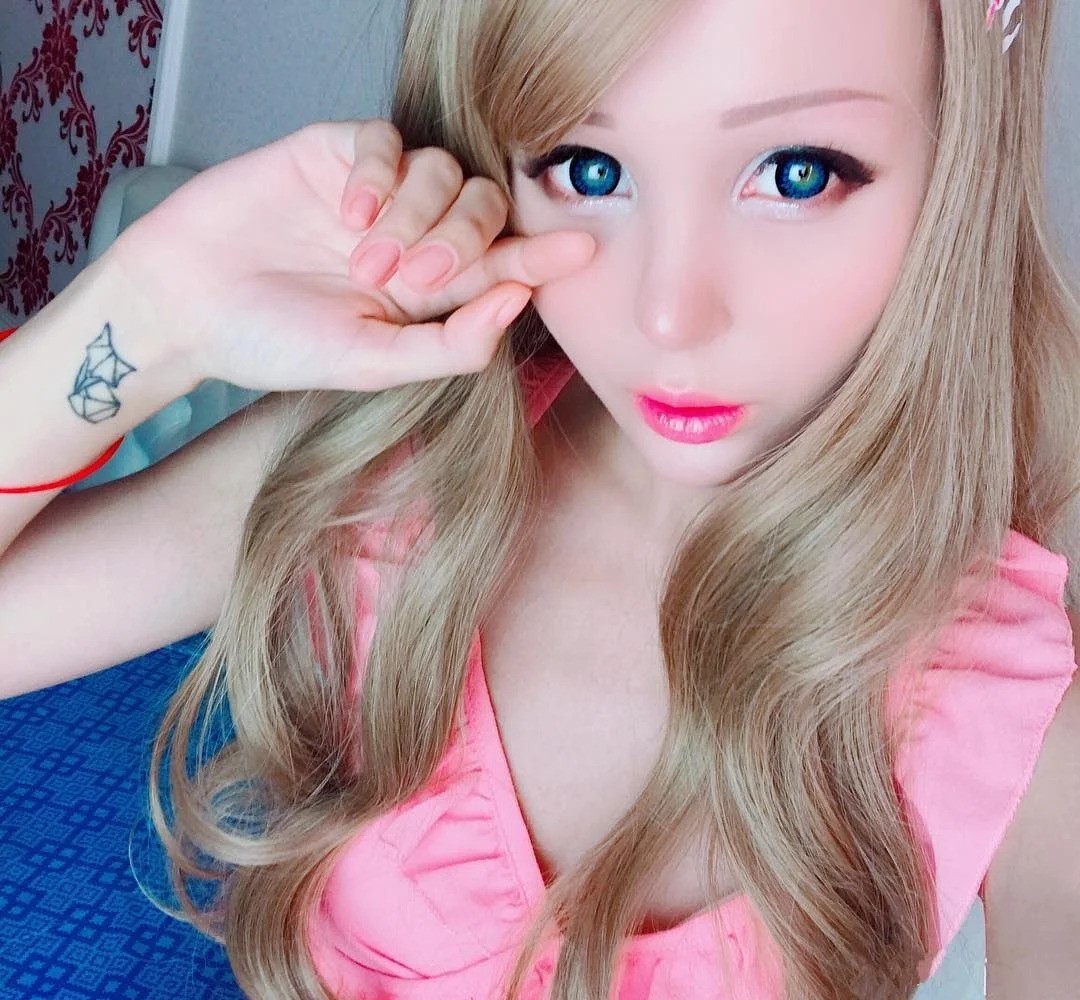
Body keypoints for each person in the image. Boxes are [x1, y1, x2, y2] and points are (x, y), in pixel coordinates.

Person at [1, 0, 1078, 997]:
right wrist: (152, 309)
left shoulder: (1020, 718)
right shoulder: (380, 472)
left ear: (955, 155)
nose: (669, 314)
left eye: (796, 175)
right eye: (586, 167)